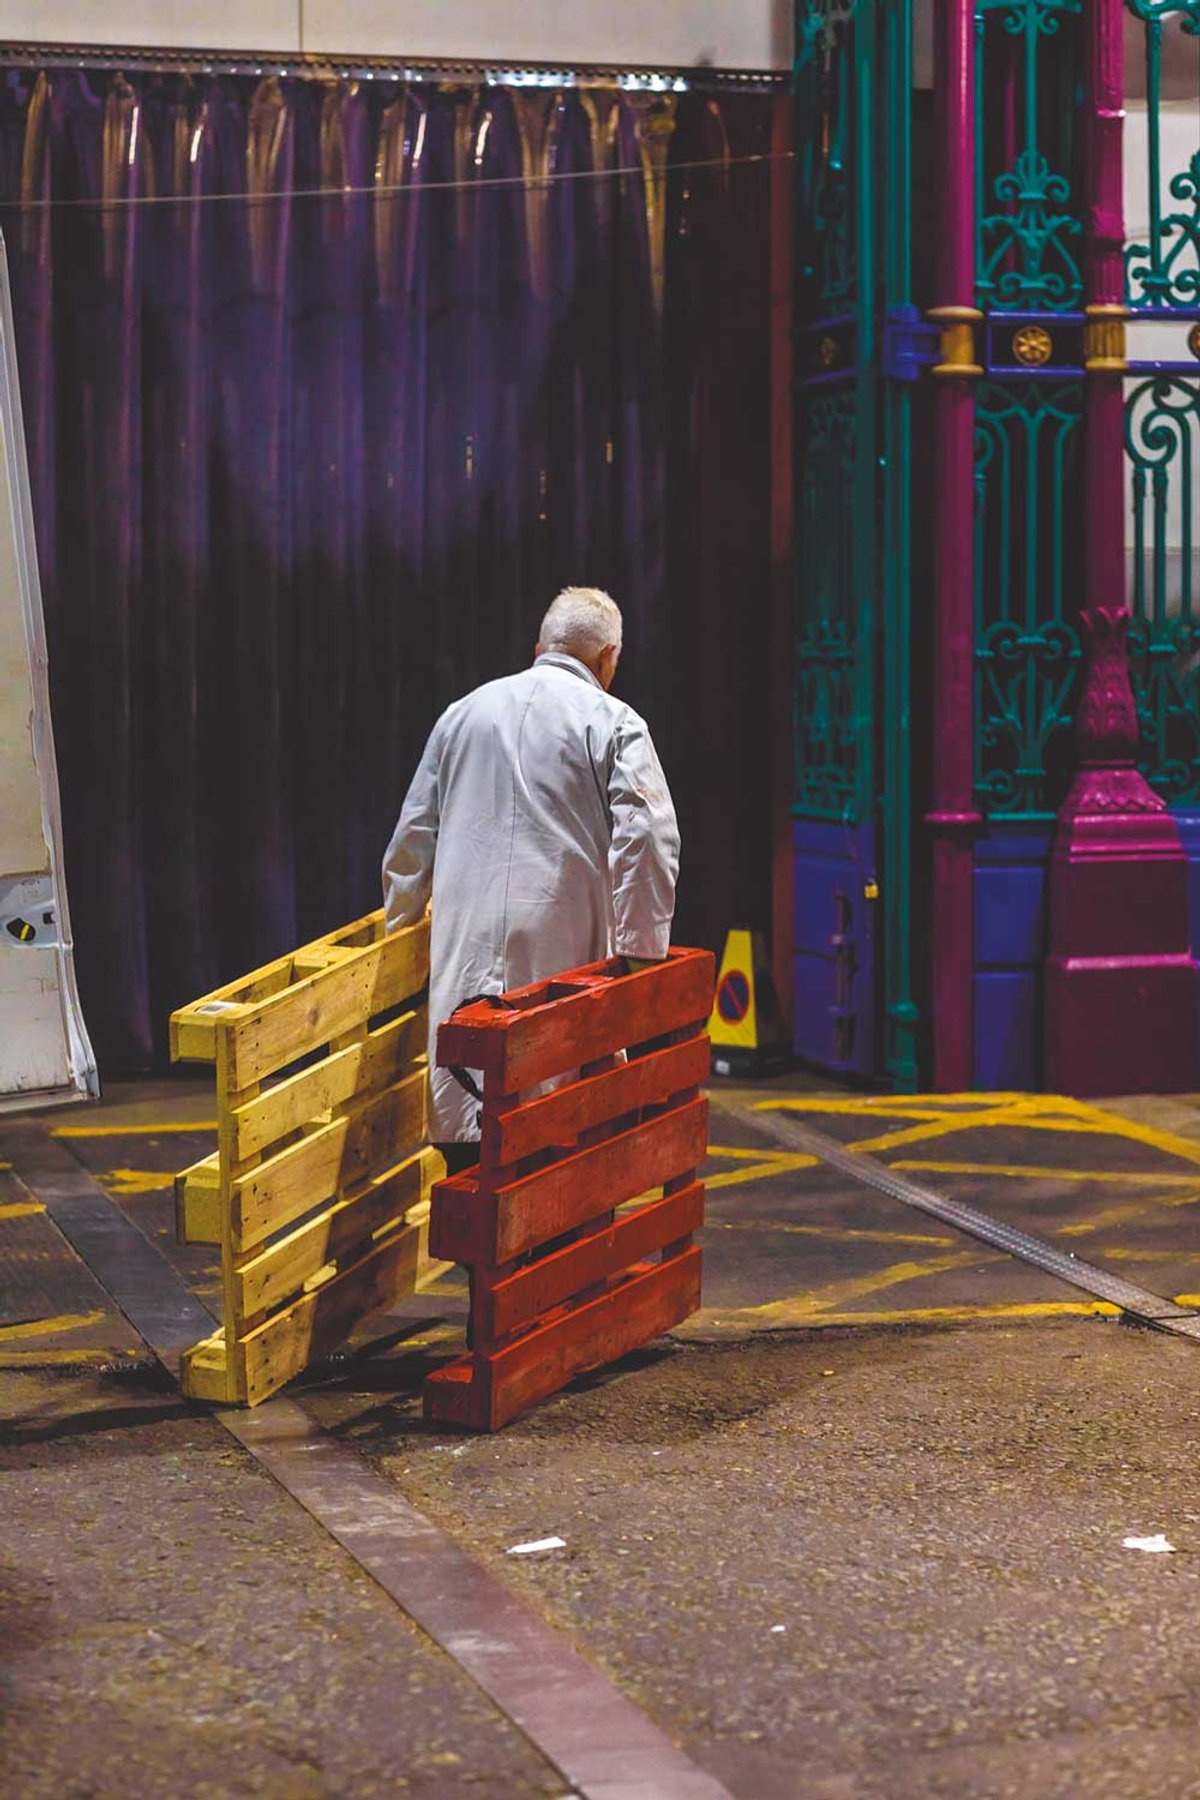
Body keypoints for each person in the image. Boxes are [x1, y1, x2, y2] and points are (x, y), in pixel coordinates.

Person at [382, 586, 680, 1170]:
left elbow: (412, 840)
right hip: (561, 958)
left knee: (471, 1139)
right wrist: (641, 952)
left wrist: (400, 934)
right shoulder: (614, 721)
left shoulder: (461, 714)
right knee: (554, 1145)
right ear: (607, 659)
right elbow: (647, 834)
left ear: (539, 647)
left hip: (464, 956)